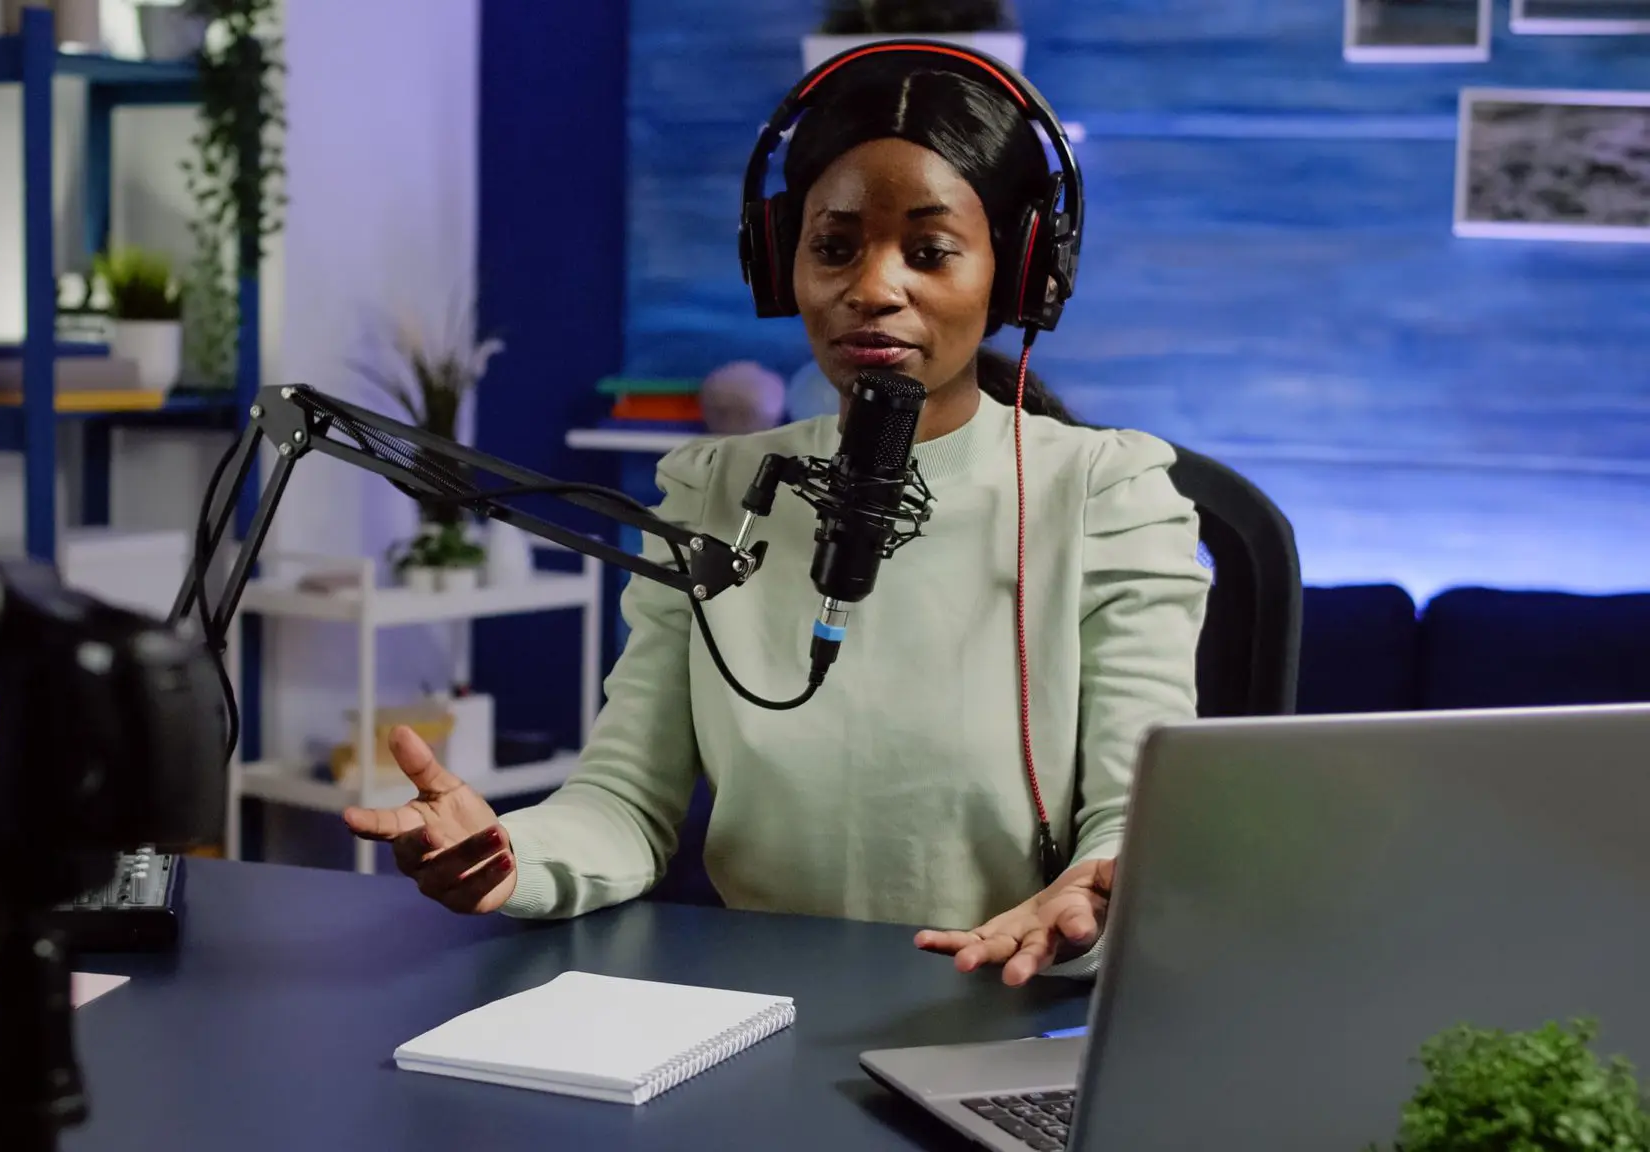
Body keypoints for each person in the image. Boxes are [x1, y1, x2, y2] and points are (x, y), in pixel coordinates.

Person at [343, 60, 1209, 985]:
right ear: (779, 260)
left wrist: (1091, 890)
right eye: (834, 247)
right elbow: (627, 803)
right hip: (757, 1007)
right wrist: (509, 857)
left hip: (1004, 1003)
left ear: (1019, 270)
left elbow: (1135, 819)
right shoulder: (712, 488)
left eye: (928, 251)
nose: (873, 288)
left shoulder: (1110, 493)